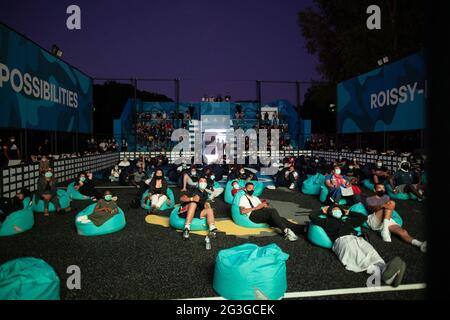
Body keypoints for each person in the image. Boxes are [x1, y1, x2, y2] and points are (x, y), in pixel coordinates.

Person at [309, 205, 407, 287]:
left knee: (371, 252)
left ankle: (385, 269)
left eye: (339, 210)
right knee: (359, 257)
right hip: (342, 240)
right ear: (329, 213)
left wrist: (349, 213)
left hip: (357, 238)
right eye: (334, 210)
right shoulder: (326, 222)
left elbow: (363, 218)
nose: (337, 211)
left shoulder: (347, 221)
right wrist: (322, 210)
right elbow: (312, 216)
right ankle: (385, 275)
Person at [365, 183, 427, 251]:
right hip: (375, 219)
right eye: (379, 188)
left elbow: (389, 210)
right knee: (391, 203)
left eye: (383, 188)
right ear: (374, 190)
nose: (382, 190)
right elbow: (374, 209)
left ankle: (419, 244)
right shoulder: (369, 199)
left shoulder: (386, 197)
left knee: (403, 232)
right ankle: (385, 230)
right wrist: (383, 205)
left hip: (387, 220)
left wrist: (386, 205)